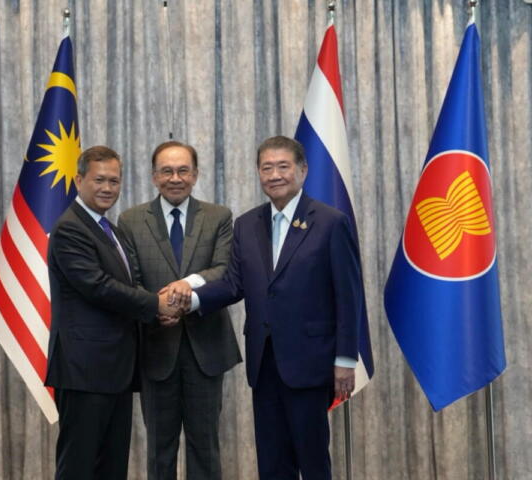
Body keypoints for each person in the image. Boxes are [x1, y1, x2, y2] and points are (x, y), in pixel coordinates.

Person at [187, 136, 361, 480]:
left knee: (312, 459)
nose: (275, 175)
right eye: (267, 167)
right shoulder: (246, 224)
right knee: (272, 461)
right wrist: (189, 299)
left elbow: (348, 294)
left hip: (310, 361)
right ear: (258, 172)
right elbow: (233, 284)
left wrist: (345, 359)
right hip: (264, 362)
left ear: (303, 170)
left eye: (283, 166)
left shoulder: (331, 222)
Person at [44, 146, 180, 480]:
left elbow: (126, 286)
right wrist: (155, 305)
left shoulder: (110, 229)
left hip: (115, 368)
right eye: (99, 180)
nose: (108, 188)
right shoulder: (70, 228)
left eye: (114, 181)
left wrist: (155, 310)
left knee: (112, 465)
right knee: (79, 465)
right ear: (79, 180)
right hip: (85, 369)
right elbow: (98, 286)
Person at [117, 141, 241, 480]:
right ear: (154, 176)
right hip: (156, 347)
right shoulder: (130, 221)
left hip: (207, 349)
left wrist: (185, 287)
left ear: (196, 174)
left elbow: (225, 270)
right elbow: (130, 280)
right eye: (167, 171)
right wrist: (157, 308)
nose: (176, 178)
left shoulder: (219, 217)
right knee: (160, 449)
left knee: (205, 448)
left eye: (183, 170)